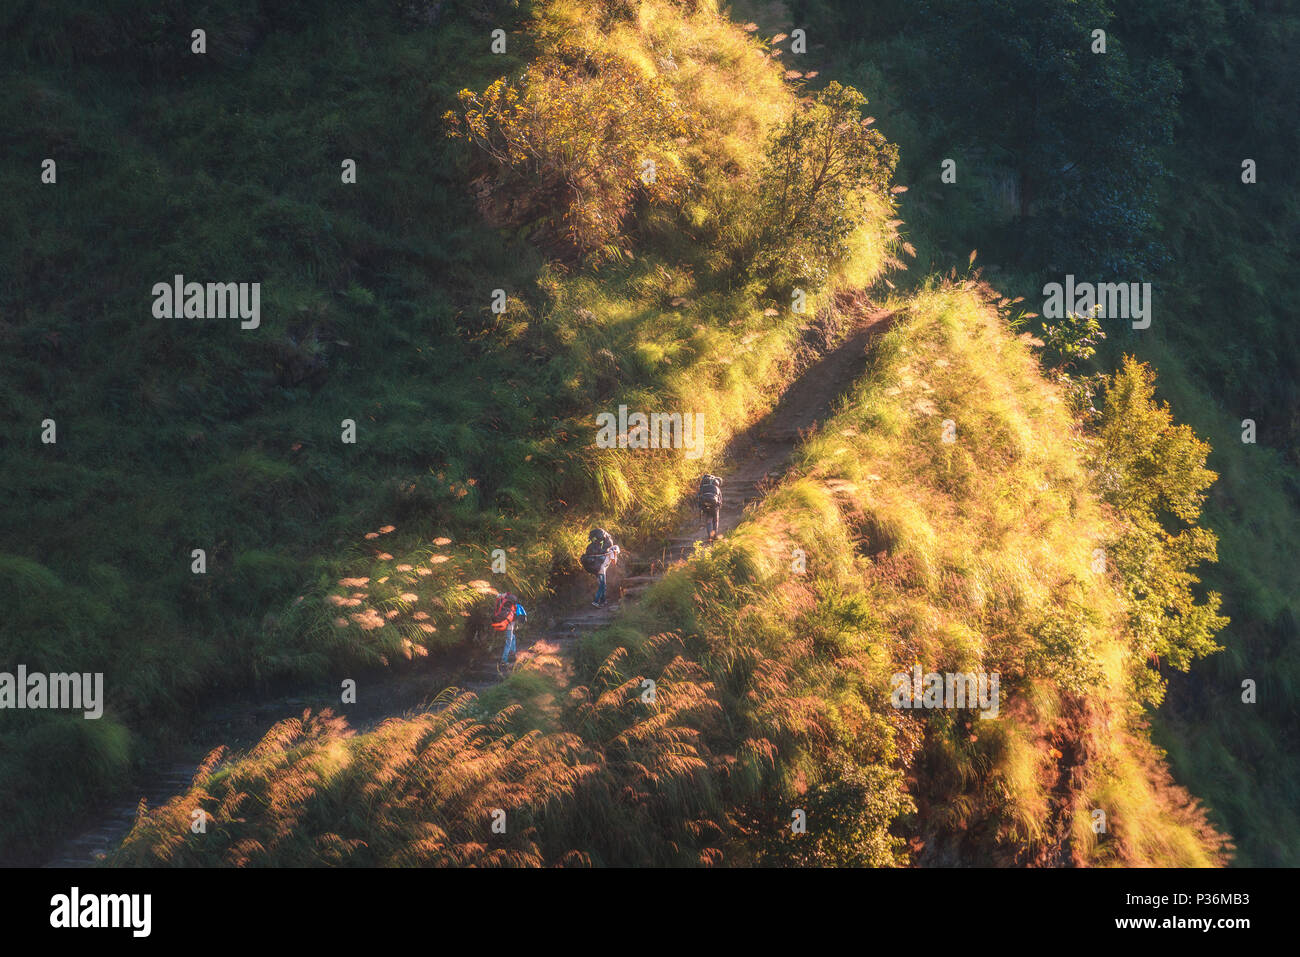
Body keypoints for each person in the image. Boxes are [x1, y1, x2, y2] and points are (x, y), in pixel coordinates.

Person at [581, 527, 620, 607]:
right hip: (600, 569)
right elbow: (614, 562)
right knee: (602, 586)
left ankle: (603, 601)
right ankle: (596, 601)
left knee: (602, 585)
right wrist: (615, 555)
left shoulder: (604, 550)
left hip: (596, 568)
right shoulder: (611, 552)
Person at [491, 591, 527, 664]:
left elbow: (498, 596)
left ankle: (512, 652)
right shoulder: (513, 605)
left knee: (512, 637)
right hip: (509, 623)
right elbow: (516, 616)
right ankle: (504, 660)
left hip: (501, 621)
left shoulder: (502, 600)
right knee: (508, 641)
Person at [697, 473, 723, 541]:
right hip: (714, 505)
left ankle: (709, 536)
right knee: (715, 520)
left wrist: (700, 507)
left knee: (708, 520)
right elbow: (720, 499)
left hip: (705, 505)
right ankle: (714, 535)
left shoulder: (703, 487)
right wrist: (719, 506)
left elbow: (698, 497)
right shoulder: (717, 488)